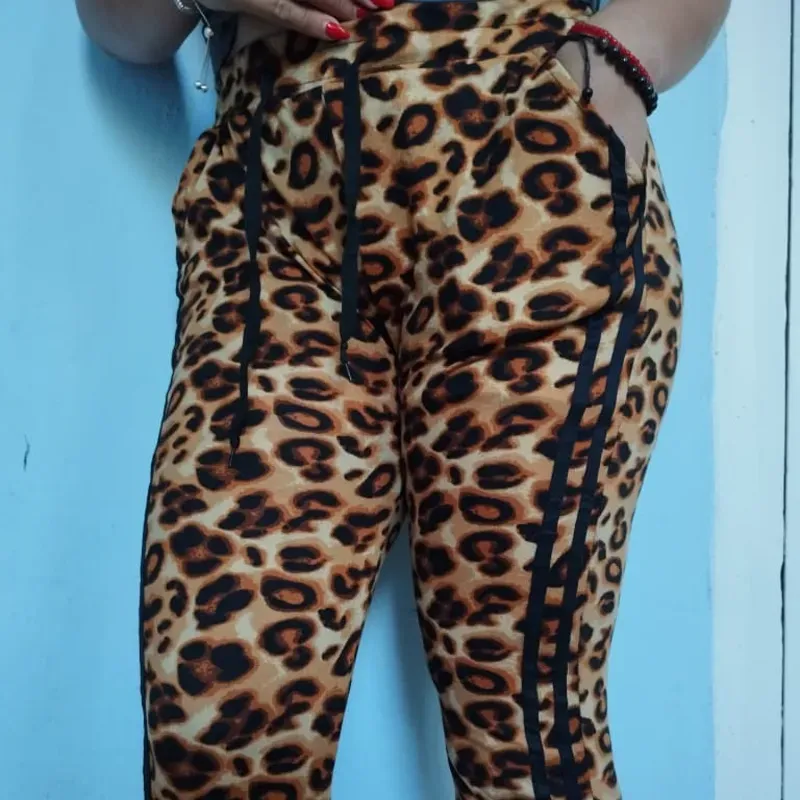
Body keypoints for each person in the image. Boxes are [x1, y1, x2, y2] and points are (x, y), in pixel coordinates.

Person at [77, 0, 729, 797]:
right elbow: (116, 28)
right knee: (214, 718)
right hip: (277, 222)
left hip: (527, 192)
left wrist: (616, 66)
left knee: (522, 730)